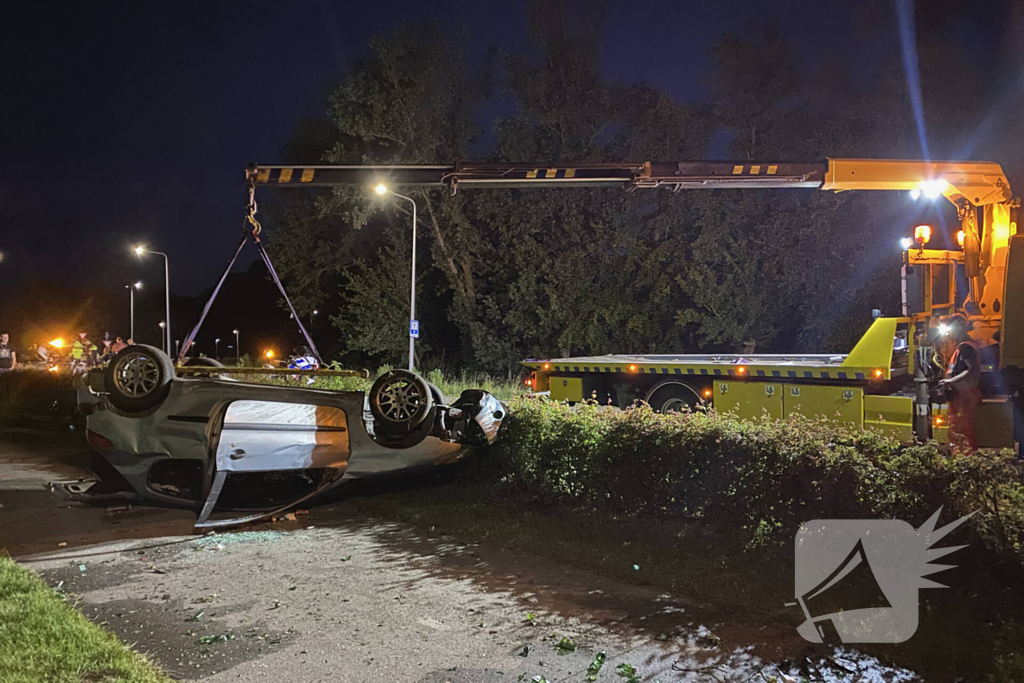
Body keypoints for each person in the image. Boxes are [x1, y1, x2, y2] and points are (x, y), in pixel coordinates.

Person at [938, 313, 981, 451]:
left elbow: (969, 369)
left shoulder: (966, 347)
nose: (950, 334)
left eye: (951, 329)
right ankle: (963, 459)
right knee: (960, 429)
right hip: (964, 394)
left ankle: (963, 462)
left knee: (961, 430)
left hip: (964, 395)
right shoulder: (966, 346)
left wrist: (949, 381)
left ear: (960, 327)